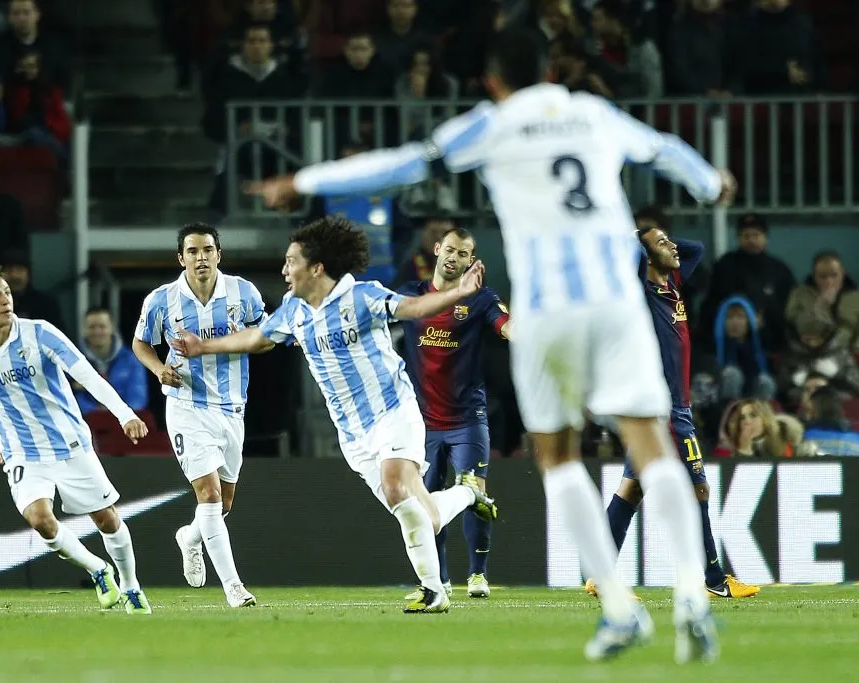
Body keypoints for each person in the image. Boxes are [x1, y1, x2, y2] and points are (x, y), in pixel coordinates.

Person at [244, 25, 736, 661]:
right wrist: (709, 182)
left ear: (494, 81)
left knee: (558, 458)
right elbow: (664, 147)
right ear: (551, 69)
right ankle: (692, 600)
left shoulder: (491, 124)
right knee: (651, 444)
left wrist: (307, 180)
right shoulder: (591, 113)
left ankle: (619, 609)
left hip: (550, 314)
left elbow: (403, 163)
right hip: (617, 305)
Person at [173, 217, 499, 614]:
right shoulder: (293, 310)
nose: (284, 270)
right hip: (353, 434)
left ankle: (434, 592)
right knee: (426, 519)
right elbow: (258, 339)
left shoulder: (362, 297)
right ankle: (468, 492)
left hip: (394, 411)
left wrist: (457, 294)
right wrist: (203, 347)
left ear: (316, 268)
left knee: (396, 484)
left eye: (291, 261)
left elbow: (412, 307)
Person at [0, 264, 152, 614]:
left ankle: (131, 585)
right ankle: (97, 569)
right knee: (40, 520)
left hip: (69, 444)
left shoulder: (39, 333)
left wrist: (124, 414)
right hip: (23, 453)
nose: (5, 300)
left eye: (7, 293)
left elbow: (85, 374)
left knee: (106, 519)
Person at [585, 220, 760, 600]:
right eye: (663, 244)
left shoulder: (673, 286)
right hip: (665, 409)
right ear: (644, 257)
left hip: (665, 408)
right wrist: (638, 242)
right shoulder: (639, 294)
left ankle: (600, 574)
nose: (674, 248)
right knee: (699, 487)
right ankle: (715, 577)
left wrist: (659, 243)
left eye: (669, 241)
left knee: (631, 490)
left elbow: (695, 247)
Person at [131, 223, 267, 608]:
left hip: (232, 408)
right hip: (186, 406)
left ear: (219, 255)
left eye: (207, 250)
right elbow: (141, 343)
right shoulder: (162, 299)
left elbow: (265, 338)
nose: (201, 257)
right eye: (192, 251)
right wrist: (159, 369)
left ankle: (190, 537)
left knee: (223, 505)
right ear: (181, 258)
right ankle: (234, 588)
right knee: (207, 496)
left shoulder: (244, 293)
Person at [397, 226, 509, 600]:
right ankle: (439, 577)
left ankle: (477, 574)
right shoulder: (412, 296)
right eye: (450, 250)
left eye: (463, 254)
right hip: (422, 424)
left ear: (471, 261)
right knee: (426, 499)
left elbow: (505, 324)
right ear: (436, 250)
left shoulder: (479, 299)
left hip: (467, 421)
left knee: (473, 492)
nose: (454, 258)